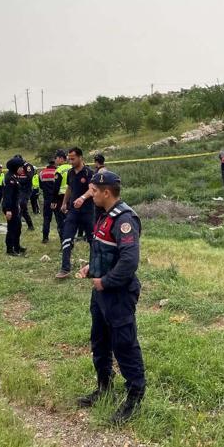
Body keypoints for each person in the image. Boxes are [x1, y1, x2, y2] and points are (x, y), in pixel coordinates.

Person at [75, 170, 145, 424]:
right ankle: (104, 388)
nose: (90, 194)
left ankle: (134, 399)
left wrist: (105, 281)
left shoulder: (125, 219)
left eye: (94, 191)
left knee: (124, 345)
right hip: (101, 295)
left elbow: (129, 261)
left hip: (118, 294)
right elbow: (105, 252)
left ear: (106, 192)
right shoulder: (104, 216)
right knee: (100, 342)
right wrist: (91, 269)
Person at [57, 147, 94, 279]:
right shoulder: (71, 173)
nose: (70, 161)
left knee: (92, 239)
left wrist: (82, 198)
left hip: (88, 211)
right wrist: (64, 203)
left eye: (73, 159)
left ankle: (93, 267)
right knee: (67, 235)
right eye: (69, 159)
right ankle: (65, 268)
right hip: (73, 211)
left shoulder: (89, 173)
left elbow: (92, 190)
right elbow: (69, 188)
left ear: (80, 157)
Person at [2, 156, 27, 256]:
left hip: (15, 206)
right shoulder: (10, 179)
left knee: (18, 227)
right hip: (10, 207)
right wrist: (8, 210)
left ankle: (17, 246)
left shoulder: (14, 177)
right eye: (20, 167)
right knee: (12, 228)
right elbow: (8, 195)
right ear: (15, 167)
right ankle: (10, 249)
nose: (22, 169)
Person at [73, 154, 107, 222]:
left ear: (96, 162)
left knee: (99, 215)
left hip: (100, 196)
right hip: (100, 196)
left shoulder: (101, 171)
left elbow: (99, 185)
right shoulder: (102, 170)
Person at [38, 159, 59, 244]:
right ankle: (63, 237)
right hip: (56, 199)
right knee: (59, 219)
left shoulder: (41, 173)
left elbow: (41, 186)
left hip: (46, 199)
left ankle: (45, 238)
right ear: (54, 164)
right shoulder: (57, 172)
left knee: (46, 219)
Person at [53, 149, 71, 241]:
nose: (55, 160)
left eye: (56, 158)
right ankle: (71, 240)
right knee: (70, 220)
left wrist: (53, 201)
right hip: (72, 197)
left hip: (61, 198)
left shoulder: (59, 170)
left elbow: (56, 187)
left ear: (60, 158)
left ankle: (64, 242)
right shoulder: (72, 168)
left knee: (61, 222)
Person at [15, 155, 36, 231]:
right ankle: (30, 225)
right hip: (19, 189)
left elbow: (29, 177)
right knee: (22, 208)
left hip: (26, 189)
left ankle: (18, 223)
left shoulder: (27, 166)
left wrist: (19, 181)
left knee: (22, 204)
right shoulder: (16, 167)